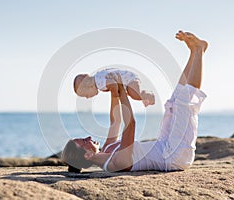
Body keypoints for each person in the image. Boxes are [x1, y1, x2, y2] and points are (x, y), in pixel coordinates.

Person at [62, 30, 208, 173]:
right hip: (175, 156)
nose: (88, 137)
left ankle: (194, 52)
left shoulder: (107, 149)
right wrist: (121, 89)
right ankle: (200, 51)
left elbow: (116, 121)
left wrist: (115, 93)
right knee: (183, 102)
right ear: (88, 155)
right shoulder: (115, 163)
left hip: (163, 144)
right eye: (84, 142)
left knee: (174, 101)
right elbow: (130, 124)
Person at [73, 68, 155, 107]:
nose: (87, 97)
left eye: (86, 95)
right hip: (127, 79)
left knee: (134, 95)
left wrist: (115, 95)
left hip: (129, 79)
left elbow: (113, 84)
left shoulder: (99, 82)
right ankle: (143, 97)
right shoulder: (98, 77)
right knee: (130, 94)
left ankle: (148, 95)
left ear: (89, 86)